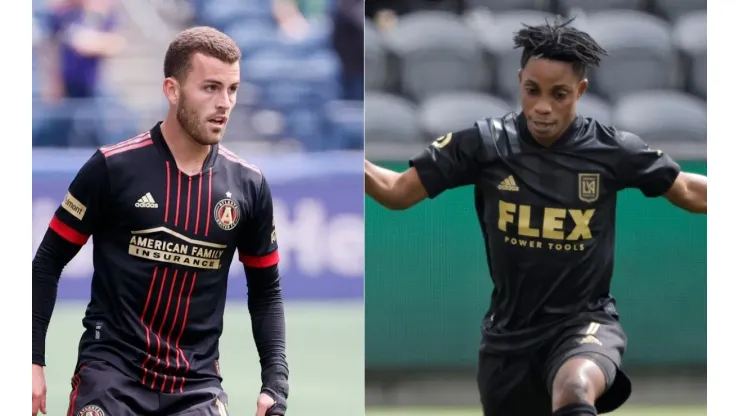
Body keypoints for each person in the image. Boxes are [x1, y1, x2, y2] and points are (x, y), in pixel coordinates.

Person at [364, 18, 707, 416]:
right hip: (508, 340)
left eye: (559, 94)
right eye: (532, 91)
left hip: (585, 323)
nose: (543, 107)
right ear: (520, 81)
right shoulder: (485, 144)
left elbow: (687, 190)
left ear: (580, 91)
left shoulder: (611, 150)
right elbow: (397, 191)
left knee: (575, 386)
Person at [32, 27, 288, 416]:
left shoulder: (249, 186)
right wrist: (31, 361)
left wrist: (275, 381)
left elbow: (266, 290)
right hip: (111, 376)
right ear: (172, 90)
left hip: (196, 387)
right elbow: (47, 262)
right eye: (211, 88)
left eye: (232, 90)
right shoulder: (112, 168)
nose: (225, 104)